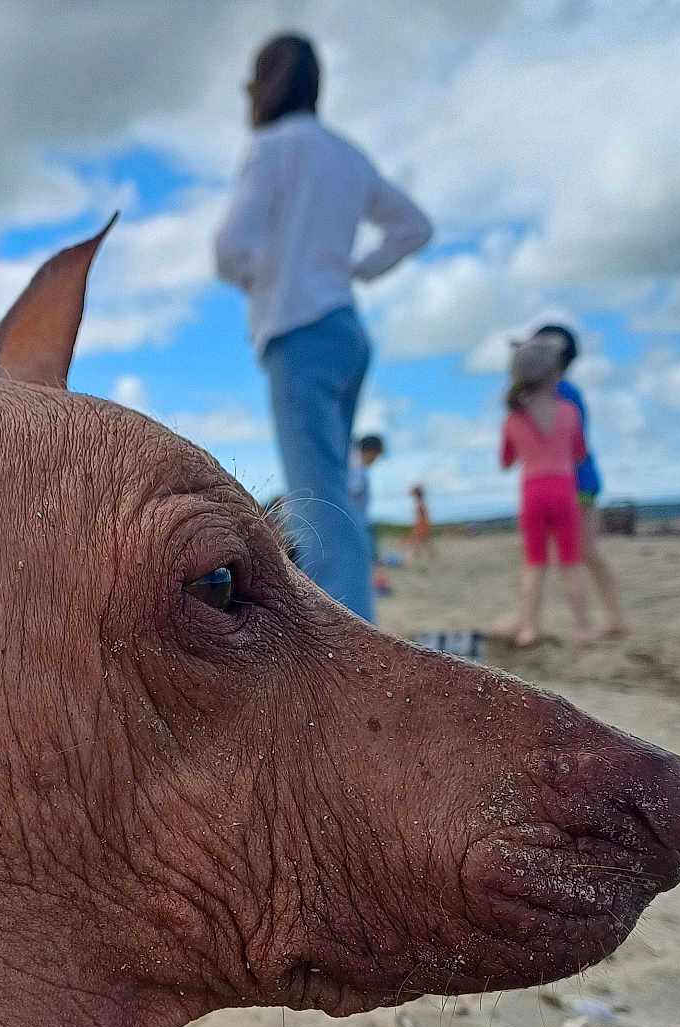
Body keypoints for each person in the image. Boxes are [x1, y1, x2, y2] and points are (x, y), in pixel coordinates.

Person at [214, 34, 432, 621]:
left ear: (264, 86)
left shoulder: (271, 148)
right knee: (336, 494)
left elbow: (229, 250)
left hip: (299, 330)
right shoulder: (346, 154)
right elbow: (414, 227)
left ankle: (345, 649)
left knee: (318, 502)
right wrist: (353, 269)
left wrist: (267, 277)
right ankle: (358, 631)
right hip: (345, 329)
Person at [532, 323, 628, 637]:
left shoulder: (562, 393)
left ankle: (609, 619)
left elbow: (568, 445)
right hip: (564, 482)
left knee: (580, 551)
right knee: (566, 553)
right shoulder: (552, 392)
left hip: (576, 483)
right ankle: (607, 618)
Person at [500, 339, 592, 647]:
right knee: (570, 562)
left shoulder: (513, 418)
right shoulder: (568, 412)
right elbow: (579, 453)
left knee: (534, 564)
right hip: (564, 489)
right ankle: (582, 628)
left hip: (533, 491)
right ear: (554, 374)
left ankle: (529, 628)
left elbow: (506, 461)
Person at [348, 434, 391, 592]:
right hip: (356, 523)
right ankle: (372, 586)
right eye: (376, 455)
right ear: (372, 451)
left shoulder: (355, 465)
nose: (375, 460)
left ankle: (372, 585)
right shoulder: (356, 466)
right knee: (364, 558)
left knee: (366, 558)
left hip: (358, 522)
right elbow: (354, 492)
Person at [405, 483, 433, 563]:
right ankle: (421, 555)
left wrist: (418, 524)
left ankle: (417, 555)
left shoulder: (419, 502)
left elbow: (421, 514)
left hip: (421, 523)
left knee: (419, 540)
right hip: (422, 523)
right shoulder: (420, 501)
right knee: (423, 541)